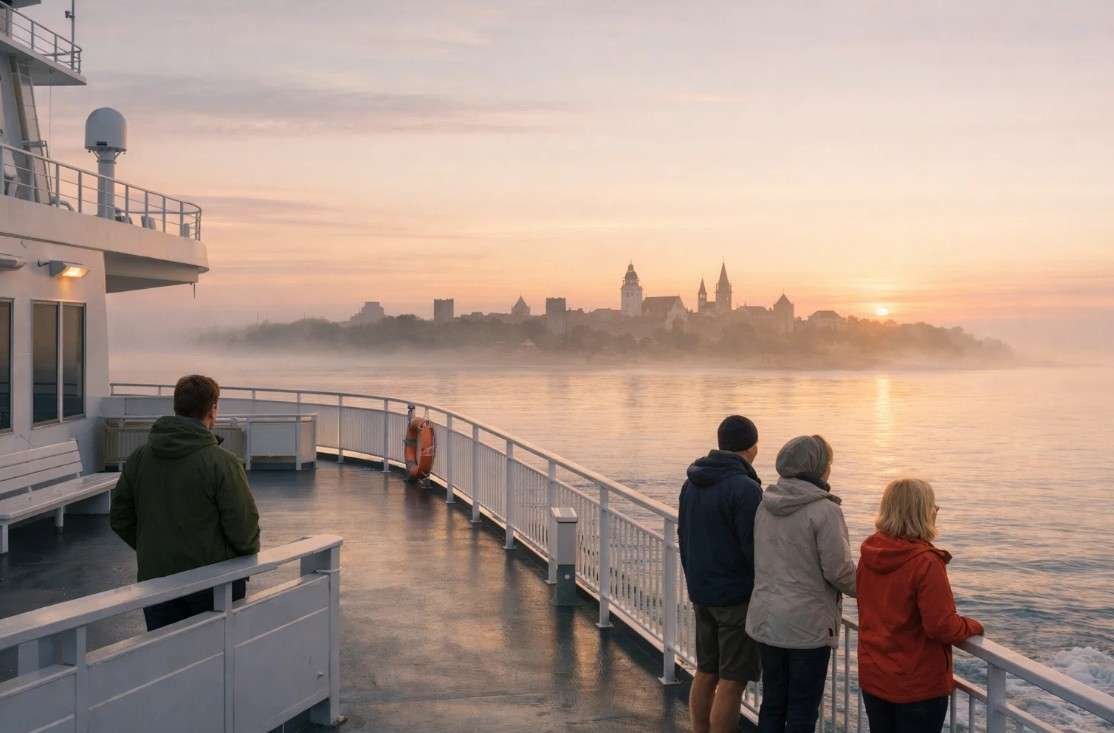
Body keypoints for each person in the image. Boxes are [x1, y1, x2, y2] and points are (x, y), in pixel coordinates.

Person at [110, 374, 260, 631]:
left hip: (156, 581)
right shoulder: (222, 463)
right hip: (214, 582)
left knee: (166, 659)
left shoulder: (139, 458)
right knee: (215, 659)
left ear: (177, 406)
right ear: (212, 409)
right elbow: (244, 532)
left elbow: (120, 517)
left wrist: (155, 548)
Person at [746, 435, 856, 733]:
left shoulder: (765, 504)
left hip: (767, 620)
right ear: (818, 467)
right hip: (806, 628)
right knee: (802, 711)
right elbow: (839, 571)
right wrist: (872, 589)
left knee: (772, 703)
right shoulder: (825, 511)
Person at [856, 479, 984, 733]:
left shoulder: (871, 552)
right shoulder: (925, 562)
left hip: (875, 676)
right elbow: (941, 626)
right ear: (922, 512)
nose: (936, 511)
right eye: (933, 506)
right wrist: (973, 626)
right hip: (916, 685)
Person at [678, 415, 764, 733]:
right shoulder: (745, 489)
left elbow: (682, 534)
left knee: (706, 671)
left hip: (702, 592)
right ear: (752, 447)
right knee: (732, 681)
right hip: (735, 598)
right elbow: (754, 548)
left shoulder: (692, 482)